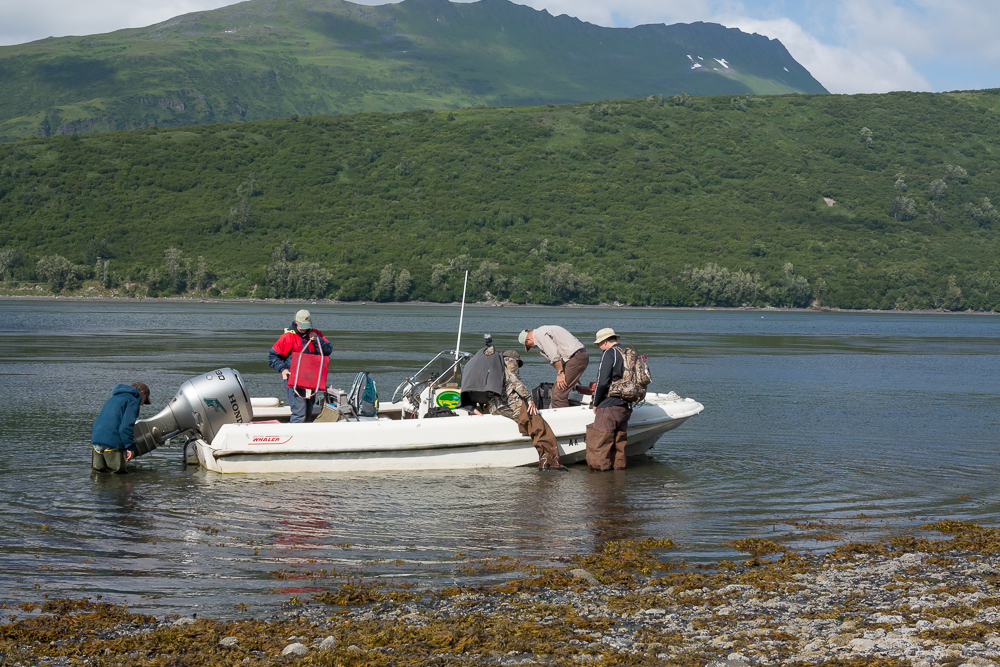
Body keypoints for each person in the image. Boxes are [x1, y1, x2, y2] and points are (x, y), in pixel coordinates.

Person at [479, 349, 567, 470]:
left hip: (494, 406)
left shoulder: (492, 365)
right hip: (510, 403)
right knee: (537, 424)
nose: (517, 366)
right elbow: (515, 380)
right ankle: (549, 461)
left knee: (527, 420)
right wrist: (528, 398)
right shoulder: (509, 361)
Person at [269, 309, 332, 423]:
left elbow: (327, 351)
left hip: (311, 380)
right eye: (302, 325)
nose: (304, 328)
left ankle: (305, 437)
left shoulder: (316, 334)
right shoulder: (288, 337)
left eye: (306, 326)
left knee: (308, 410)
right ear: (296, 322)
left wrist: (317, 340)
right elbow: (273, 357)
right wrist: (282, 369)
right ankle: (293, 437)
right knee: (299, 412)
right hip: (294, 379)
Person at [586, 328, 630, 471]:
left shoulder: (609, 353)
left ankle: (600, 486)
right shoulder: (628, 353)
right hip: (626, 405)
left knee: (599, 446)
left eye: (599, 344)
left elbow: (602, 382)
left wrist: (595, 402)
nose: (599, 347)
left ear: (605, 341)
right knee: (619, 446)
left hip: (609, 405)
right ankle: (618, 485)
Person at [517, 325, 589, 408]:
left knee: (558, 394)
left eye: (529, 345)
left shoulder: (539, 335)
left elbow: (554, 355)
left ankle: (562, 419)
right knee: (557, 390)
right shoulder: (543, 330)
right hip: (578, 356)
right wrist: (572, 374)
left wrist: (560, 373)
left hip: (575, 358)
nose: (532, 347)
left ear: (529, 339)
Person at [91, 381, 151, 473]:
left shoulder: (113, 398)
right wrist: (130, 448)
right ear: (142, 393)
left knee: (98, 475)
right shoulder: (133, 401)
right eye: (145, 400)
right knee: (117, 477)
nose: (142, 404)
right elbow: (125, 428)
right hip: (112, 442)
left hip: (96, 440)